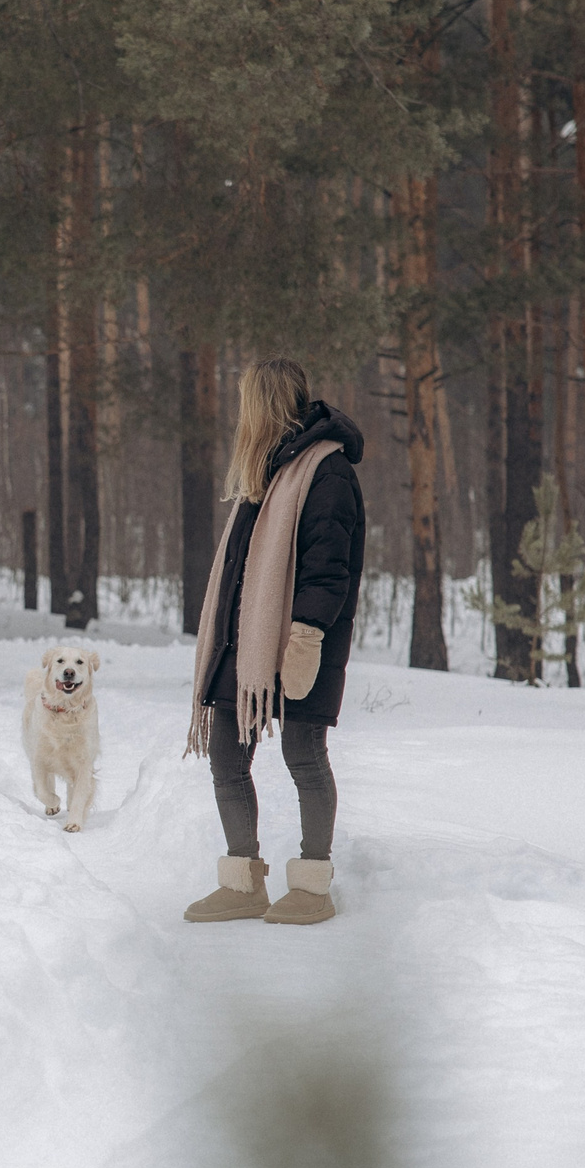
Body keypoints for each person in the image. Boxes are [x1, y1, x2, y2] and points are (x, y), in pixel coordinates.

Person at [181, 358, 366, 925]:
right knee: (227, 756)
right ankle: (244, 882)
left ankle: (313, 884)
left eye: (247, 403)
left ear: (265, 403)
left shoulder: (325, 472)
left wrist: (306, 635)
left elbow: (328, 567)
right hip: (247, 644)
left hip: (301, 643)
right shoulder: (266, 472)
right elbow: (241, 567)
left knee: (303, 755)